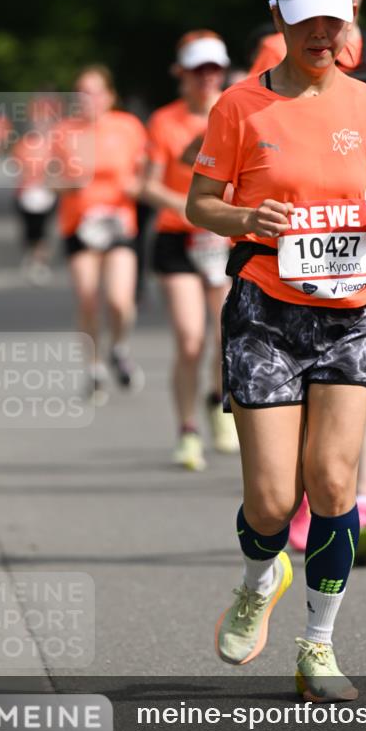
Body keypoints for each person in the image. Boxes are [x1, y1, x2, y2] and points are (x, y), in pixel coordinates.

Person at [186, 0, 366, 701]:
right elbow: (199, 204)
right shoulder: (238, 107)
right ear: (278, 18)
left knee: (334, 485)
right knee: (272, 502)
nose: (323, 35)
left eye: (335, 21)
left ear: (351, 19)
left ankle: (318, 645)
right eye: (308, 20)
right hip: (267, 312)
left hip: (352, 311)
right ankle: (260, 579)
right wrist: (248, 217)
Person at [252, 0, 366, 564]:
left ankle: (360, 499)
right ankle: (303, 493)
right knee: (299, 385)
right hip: (292, 242)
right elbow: (258, 119)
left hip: (364, 229)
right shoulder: (279, 51)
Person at [143, 31, 239, 470]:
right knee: (189, 338)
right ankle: (187, 430)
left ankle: (218, 401)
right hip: (178, 239)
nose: (207, 77)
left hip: (224, 238)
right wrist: (189, 209)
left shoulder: (235, 112)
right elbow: (147, 184)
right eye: (198, 70)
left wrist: (225, 214)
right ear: (181, 73)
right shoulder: (164, 121)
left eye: (214, 69)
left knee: (224, 336)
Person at [52, 65, 147, 402]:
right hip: (80, 224)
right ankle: (93, 369)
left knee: (120, 300)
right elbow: (48, 179)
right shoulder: (64, 132)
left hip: (119, 222)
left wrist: (137, 186)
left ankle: (118, 347)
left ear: (109, 96)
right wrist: (68, 184)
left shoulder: (128, 127)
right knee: (88, 298)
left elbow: (146, 172)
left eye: (93, 91)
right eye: (81, 91)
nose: (86, 98)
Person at [12, 94, 61, 285]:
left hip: (47, 193)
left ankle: (40, 261)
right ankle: (31, 256)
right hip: (27, 194)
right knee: (29, 231)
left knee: (44, 230)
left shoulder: (54, 144)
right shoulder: (23, 144)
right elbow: (18, 169)